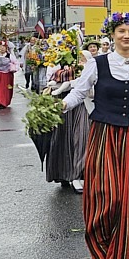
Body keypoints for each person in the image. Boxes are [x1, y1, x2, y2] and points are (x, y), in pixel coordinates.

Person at [62, 13, 129, 259]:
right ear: (113, 34)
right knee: (105, 194)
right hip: (104, 133)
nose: (127, 36)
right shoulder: (97, 64)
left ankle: (127, 256)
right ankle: (100, 257)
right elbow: (79, 92)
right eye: (122, 31)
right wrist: (60, 105)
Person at [45, 51, 91, 194]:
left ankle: (78, 175)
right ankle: (63, 173)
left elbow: (84, 86)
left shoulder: (92, 66)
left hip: (83, 105)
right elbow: (55, 81)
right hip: (64, 102)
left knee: (81, 139)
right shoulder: (61, 66)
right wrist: (57, 87)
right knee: (62, 138)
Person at [0, 41, 18, 109]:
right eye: (0, 47)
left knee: (5, 89)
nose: (2, 48)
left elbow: (16, 63)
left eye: (4, 47)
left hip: (6, 75)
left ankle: (3, 102)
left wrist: (12, 67)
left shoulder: (9, 56)